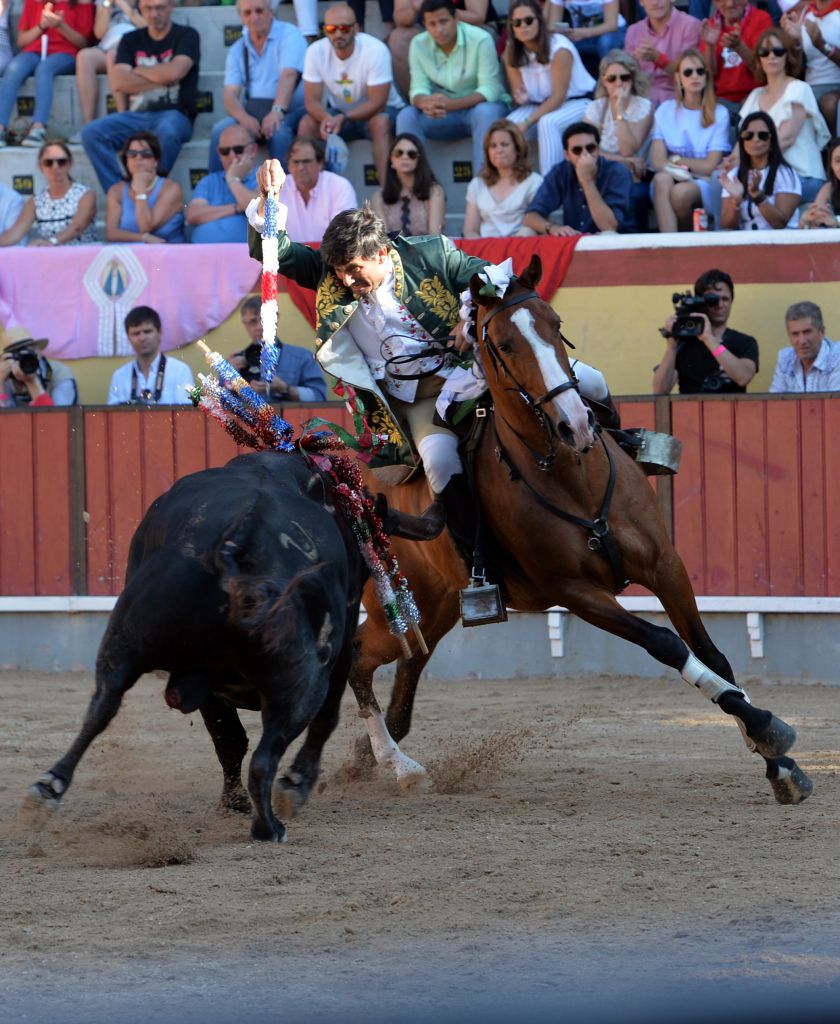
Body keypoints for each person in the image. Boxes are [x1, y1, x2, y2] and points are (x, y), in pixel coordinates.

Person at [81, 0, 199, 192]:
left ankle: (151, 191)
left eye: (160, 7)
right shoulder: (131, 39)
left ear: (172, 6)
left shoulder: (187, 35)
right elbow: (120, 82)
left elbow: (175, 72)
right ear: (141, 9)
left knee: (168, 131)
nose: (154, 14)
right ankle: (123, 194)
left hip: (175, 114)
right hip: (135, 116)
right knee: (91, 133)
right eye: (149, 8)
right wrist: (162, 76)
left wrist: (136, 71)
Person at [396, 0, 509, 178]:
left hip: (477, 110)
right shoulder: (418, 44)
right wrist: (425, 102)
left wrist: (451, 105)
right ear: (424, 25)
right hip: (443, 114)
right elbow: (417, 88)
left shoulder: (480, 39)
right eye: (432, 24)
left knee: (485, 111)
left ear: (456, 18)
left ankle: (484, 184)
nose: (439, 29)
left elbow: (491, 90)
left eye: (443, 22)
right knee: (407, 115)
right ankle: (416, 187)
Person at [298, 3, 404, 186]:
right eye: (331, 29)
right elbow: (311, 101)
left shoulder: (375, 50)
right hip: (339, 113)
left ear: (356, 28)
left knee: (379, 123)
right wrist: (327, 118)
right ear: (324, 30)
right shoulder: (315, 51)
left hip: (383, 110)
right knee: (307, 124)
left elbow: (378, 102)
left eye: (345, 28)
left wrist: (342, 118)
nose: (338, 34)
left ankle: (389, 194)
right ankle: (308, 191)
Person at [208, 0, 306, 175]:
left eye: (259, 11)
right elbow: (230, 94)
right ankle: (216, 191)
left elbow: (289, 76)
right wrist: (244, 118)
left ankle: (286, 194)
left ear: (270, 12)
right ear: (241, 17)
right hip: (254, 112)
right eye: (247, 13)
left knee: (279, 133)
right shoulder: (238, 48)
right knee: (220, 132)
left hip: (290, 110)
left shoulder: (289, 34)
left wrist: (277, 111)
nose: (254, 17)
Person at [503, 0, 596, 175]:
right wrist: (521, 96)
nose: (523, 26)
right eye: (517, 22)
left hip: (577, 102)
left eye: (528, 20)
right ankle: (511, 187)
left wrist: (528, 122)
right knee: (508, 127)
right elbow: (520, 95)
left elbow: (558, 97)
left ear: (540, 21)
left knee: (548, 123)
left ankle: (550, 187)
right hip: (538, 104)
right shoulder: (511, 51)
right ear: (512, 28)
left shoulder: (559, 47)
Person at [738, 29, 830, 205]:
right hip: (768, 177)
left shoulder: (799, 88)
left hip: (803, 175)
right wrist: (730, 163)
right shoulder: (755, 95)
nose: (771, 56)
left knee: (750, 196)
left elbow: (786, 137)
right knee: (720, 184)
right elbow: (743, 140)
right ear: (759, 59)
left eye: (778, 51)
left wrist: (749, 158)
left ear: (787, 56)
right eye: (765, 52)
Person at [650, 48, 730, 232]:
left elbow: (710, 166)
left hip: (705, 182)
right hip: (673, 177)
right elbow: (657, 162)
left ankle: (684, 242)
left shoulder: (719, 113)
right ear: (678, 78)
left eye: (700, 71)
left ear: (706, 76)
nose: (695, 76)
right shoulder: (665, 111)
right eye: (688, 72)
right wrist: (688, 168)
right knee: (661, 179)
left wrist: (676, 161)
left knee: (680, 193)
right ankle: (668, 244)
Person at [0, 0, 95, 148]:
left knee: (44, 69)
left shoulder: (82, 3)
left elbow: (83, 43)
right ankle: (1, 127)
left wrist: (60, 26)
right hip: (34, 51)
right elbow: (22, 41)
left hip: (65, 53)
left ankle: (38, 128)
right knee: (13, 70)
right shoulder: (33, 3)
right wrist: (41, 26)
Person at [652, 267, 758, 394]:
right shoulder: (684, 344)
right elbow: (659, 391)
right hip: (690, 412)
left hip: (732, 412)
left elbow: (743, 377)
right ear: (700, 302)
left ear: (731, 301)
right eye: (713, 300)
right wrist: (671, 348)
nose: (719, 305)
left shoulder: (744, 342)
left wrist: (709, 340)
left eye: (725, 299)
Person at [522, 120, 634, 235]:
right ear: (567, 155)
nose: (585, 154)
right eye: (577, 150)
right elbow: (530, 217)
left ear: (598, 150)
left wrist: (586, 180)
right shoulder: (560, 171)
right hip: (575, 239)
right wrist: (552, 228)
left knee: (608, 234)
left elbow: (609, 226)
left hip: (616, 241)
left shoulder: (617, 172)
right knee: (526, 231)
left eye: (590, 148)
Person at [584, 49, 654, 228]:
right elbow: (587, 150)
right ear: (603, 81)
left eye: (624, 77)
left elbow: (628, 149)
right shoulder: (595, 108)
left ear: (633, 79)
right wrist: (623, 161)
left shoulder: (643, 107)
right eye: (611, 78)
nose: (619, 83)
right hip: (602, 172)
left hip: (633, 177)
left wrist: (620, 109)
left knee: (634, 193)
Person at [388, 0, 497, 101]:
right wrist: (415, 7)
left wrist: (443, 11)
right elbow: (400, 19)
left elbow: (478, 16)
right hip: (429, 27)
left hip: (470, 27)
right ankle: (423, 102)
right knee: (398, 38)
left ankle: (475, 98)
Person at [228, 295, 327, 401]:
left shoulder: (303, 358)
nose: (259, 327)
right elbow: (218, 405)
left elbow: (319, 397)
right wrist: (228, 377)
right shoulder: (234, 363)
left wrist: (286, 389)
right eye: (253, 321)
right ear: (245, 324)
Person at [0, 139, 97, 246]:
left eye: (61, 162)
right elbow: (15, 233)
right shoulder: (35, 201)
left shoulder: (86, 195)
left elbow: (77, 227)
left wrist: (51, 242)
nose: (55, 167)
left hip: (85, 257)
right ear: (41, 167)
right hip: (51, 258)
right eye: (48, 163)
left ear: (70, 164)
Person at [720, 111, 801, 230]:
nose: (755, 140)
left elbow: (780, 223)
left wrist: (758, 195)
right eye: (748, 135)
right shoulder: (734, 175)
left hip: (781, 243)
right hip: (746, 243)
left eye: (763, 135)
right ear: (742, 141)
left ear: (772, 141)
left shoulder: (785, 174)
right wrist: (736, 201)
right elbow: (726, 225)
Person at [463, 119, 543, 237]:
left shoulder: (534, 182)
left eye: (504, 144)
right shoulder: (477, 184)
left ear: (518, 148)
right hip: (486, 251)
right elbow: (470, 231)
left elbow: (536, 227)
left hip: (520, 249)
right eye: (493, 146)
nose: (498, 150)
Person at [75, 0, 145, 131]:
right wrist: (107, 5)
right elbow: (99, 33)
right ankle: (88, 126)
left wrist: (124, 5)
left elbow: (148, 28)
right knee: (85, 57)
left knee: (113, 56)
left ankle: (123, 119)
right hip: (107, 47)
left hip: (135, 47)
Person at [104, 130, 185, 243]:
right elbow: (111, 233)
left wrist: (140, 188)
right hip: (129, 255)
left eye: (146, 154)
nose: (138, 158)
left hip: (166, 255)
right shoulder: (116, 191)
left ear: (155, 161)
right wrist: (144, 238)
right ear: (126, 161)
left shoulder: (171, 189)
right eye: (132, 154)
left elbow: (146, 226)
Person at [699, 0, 772, 120]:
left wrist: (739, 47)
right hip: (721, 102)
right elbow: (708, 76)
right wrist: (710, 47)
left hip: (756, 97)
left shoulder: (761, 19)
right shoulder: (710, 26)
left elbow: (763, 69)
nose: (729, 4)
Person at [187, 124, 258, 244]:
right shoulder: (209, 181)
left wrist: (232, 179)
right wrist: (236, 208)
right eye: (225, 151)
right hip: (203, 254)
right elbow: (193, 215)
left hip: (247, 256)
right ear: (219, 153)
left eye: (238, 149)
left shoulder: (266, 174)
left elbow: (257, 210)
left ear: (253, 150)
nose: (232, 156)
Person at [107, 305, 193, 404]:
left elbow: (186, 414)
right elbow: (113, 416)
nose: (142, 338)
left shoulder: (180, 371)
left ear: (160, 332)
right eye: (136, 333)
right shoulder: (119, 376)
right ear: (128, 338)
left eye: (147, 331)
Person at [281, 136, 358, 242]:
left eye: (306, 161)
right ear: (288, 166)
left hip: (330, 256)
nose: (300, 168)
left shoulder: (340, 187)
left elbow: (344, 236)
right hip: (289, 257)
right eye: (295, 162)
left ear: (320, 163)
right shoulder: (278, 188)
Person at [781, 0, 840, 138]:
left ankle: (832, 151)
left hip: (835, 87)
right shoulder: (807, 14)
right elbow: (797, 70)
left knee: (829, 104)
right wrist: (795, 44)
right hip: (809, 88)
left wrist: (823, 46)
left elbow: (820, 45)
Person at [625, 0, 701, 105]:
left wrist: (657, 58)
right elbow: (626, 75)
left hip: (678, 97)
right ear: (641, 2)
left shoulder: (691, 26)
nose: (655, 2)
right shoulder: (633, 31)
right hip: (642, 97)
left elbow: (689, 75)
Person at [370, 132, 446, 234]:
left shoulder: (434, 192)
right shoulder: (378, 197)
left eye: (412, 154)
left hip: (427, 249)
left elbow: (435, 235)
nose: (405, 157)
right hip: (391, 249)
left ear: (419, 160)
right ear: (391, 160)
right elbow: (382, 238)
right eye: (399, 153)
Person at [770, 300, 840, 392]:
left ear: (822, 332)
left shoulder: (836, 357)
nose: (802, 341)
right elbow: (775, 403)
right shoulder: (785, 358)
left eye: (807, 332)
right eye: (795, 334)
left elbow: (835, 404)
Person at [0, 325, 78, 407]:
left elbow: (56, 417)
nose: (21, 361)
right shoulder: (6, 375)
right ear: (7, 358)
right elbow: (3, 414)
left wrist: (31, 381)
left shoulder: (60, 374)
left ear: (38, 352)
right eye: (16, 356)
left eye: (27, 353)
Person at [548, 0, 626, 70]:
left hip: (612, 32)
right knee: (559, 44)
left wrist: (583, 33)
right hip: (581, 35)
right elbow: (553, 25)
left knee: (605, 43)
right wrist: (568, 29)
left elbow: (611, 25)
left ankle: (611, 77)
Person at [800, 135, 840, 228]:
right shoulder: (829, 187)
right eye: (838, 161)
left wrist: (836, 222)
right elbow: (819, 215)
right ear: (831, 165)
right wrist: (807, 221)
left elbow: (834, 222)